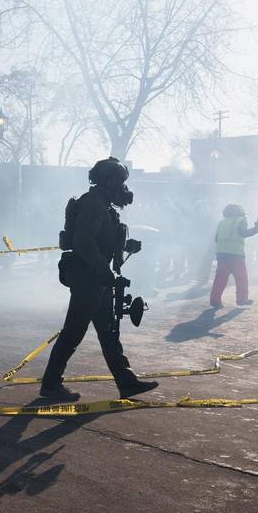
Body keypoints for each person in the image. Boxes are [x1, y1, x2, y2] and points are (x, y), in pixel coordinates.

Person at [40, 157, 158, 402]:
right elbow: (83, 242)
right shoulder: (93, 204)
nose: (123, 189)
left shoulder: (103, 206)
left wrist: (127, 246)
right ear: (110, 181)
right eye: (121, 183)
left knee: (108, 331)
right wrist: (105, 272)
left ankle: (127, 383)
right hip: (88, 278)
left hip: (97, 278)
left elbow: (101, 239)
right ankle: (51, 384)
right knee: (74, 331)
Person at [209, 203, 258, 309]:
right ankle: (242, 299)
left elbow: (216, 239)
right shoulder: (240, 220)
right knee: (241, 278)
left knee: (220, 279)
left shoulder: (222, 222)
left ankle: (215, 301)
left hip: (222, 254)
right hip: (235, 254)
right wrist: (256, 229)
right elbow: (243, 233)